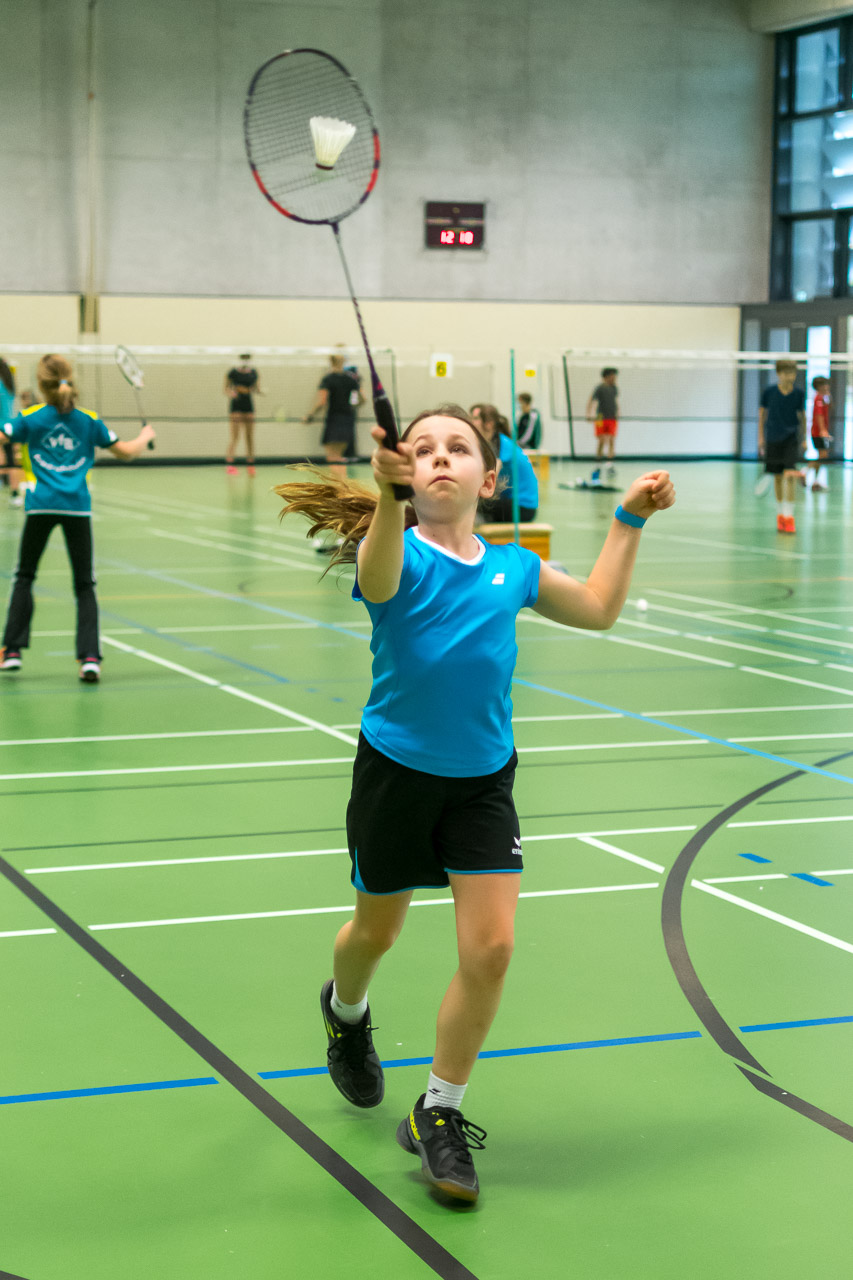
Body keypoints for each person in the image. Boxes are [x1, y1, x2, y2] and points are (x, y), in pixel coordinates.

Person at [273, 403, 674, 1203]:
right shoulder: (396, 552)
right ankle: (344, 1012)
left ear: (489, 479)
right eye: (421, 449)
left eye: (457, 448)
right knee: (374, 933)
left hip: (483, 782)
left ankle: (439, 1110)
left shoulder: (515, 568)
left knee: (490, 950)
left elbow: (598, 607)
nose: (438, 458)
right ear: (407, 476)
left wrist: (628, 518)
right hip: (395, 775)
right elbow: (377, 576)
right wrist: (386, 500)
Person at [0, 354, 155, 682]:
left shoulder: (30, 418)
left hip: (41, 506)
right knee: (85, 584)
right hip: (77, 508)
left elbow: (3, 435)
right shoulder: (89, 420)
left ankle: (12, 651)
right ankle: (89, 658)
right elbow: (126, 452)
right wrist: (145, 436)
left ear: (41, 384)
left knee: (25, 576)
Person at [758, 359, 806, 534]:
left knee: (790, 475)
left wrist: (804, 438)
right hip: (773, 438)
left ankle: (789, 516)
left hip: (791, 439)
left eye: (792, 373)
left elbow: (802, 416)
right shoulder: (769, 392)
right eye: (786, 373)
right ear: (779, 374)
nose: (790, 376)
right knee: (778, 478)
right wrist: (761, 437)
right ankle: (780, 516)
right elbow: (762, 415)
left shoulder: (799, 394)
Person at [470, 402, 538, 521]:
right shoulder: (492, 441)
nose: (471, 422)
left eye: (475, 418)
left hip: (523, 507)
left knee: (472, 504)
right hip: (511, 501)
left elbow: (490, 476)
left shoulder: (501, 445)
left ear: (489, 424)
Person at [303, 353, 363, 480]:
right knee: (339, 457)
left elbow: (322, 402)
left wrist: (310, 415)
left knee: (332, 457)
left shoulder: (328, 379)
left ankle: (339, 486)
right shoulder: (351, 379)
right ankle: (343, 484)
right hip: (348, 419)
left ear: (331, 362)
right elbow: (362, 399)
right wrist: (351, 406)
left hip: (334, 419)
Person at [224, 354, 261, 476]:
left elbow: (256, 388)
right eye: (243, 358)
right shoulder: (232, 373)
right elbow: (226, 389)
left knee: (249, 437)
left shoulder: (254, 373)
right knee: (235, 436)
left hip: (248, 406)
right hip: (236, 406)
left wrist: (259, 391)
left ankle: (251, 465)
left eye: (247, 358)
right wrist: (233, 393)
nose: (245, 361)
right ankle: (230, 465)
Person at [586, 367, 619, 479]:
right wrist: (589, 413)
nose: (614, 378)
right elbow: (591, 401)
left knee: (611, 440)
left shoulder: (614, 388)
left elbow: (615, 401)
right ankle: (598, 465)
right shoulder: (599, 388)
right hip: (600, 417)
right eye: (612, 376)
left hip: (612, 418)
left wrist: (618, 412)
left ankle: (610, 465)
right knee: (601, 441)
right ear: (606, 377)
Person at [0, 358, 23, 507]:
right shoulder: (10, 385)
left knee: (3, 460)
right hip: (11, 427)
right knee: (12, 462)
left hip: (0, 427)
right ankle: (15, 494)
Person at [805, 375, 832, 492]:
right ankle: (804, 472)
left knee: (821, 456)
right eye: (824, 384)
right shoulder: (818, 399)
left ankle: (815, 481)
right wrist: (823, 430)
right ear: (819, 387)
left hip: (818, 432)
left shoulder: (822, 398)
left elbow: (828, 409)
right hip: (817, 433)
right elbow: (819, 415)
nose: (827, 386)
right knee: (823, 455)